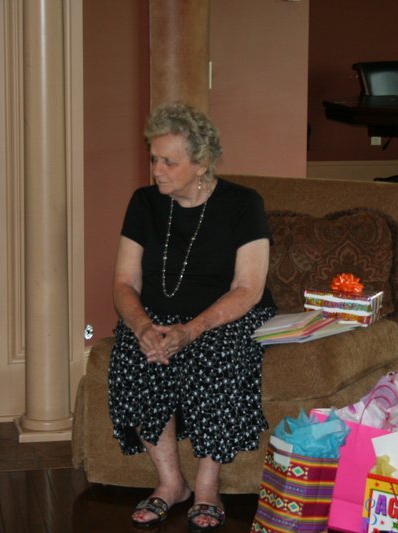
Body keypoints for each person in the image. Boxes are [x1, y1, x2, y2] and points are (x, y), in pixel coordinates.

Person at [107, 101, 276, 531]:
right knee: (133, 353)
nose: (156, 171)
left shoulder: (243, 204)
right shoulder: (144, 203)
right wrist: (143, 327)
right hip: (157, 315)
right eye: (154, 159)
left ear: (201, 164)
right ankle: (171, 483)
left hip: (223, 314)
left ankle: (206, 487)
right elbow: (124, 281)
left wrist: (192, 329)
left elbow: (248, 289)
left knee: (217, 355)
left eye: (169, 161)